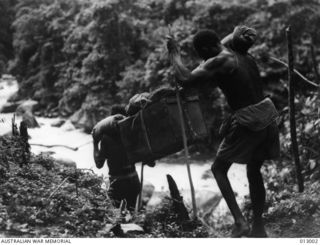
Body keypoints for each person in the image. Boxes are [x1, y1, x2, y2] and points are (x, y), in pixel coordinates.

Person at [167, 27, 280, 237]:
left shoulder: (220, 59)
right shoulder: (240, 53)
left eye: (203, 55)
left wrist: (174, 52)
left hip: (250, 121)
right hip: (268, 115)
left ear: (209, 48)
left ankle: (240, 222)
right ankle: (258, 227)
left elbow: (185, 78)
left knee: (218, 169)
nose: (204, 60)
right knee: (254, 170)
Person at [92, 105, 141, 211]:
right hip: (134, 181)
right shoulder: (131, 135)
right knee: (131, 214)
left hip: (118, 184)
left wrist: (95, 143)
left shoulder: (106, 139)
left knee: (116, 217)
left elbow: (99, 165)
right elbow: (148, 160)